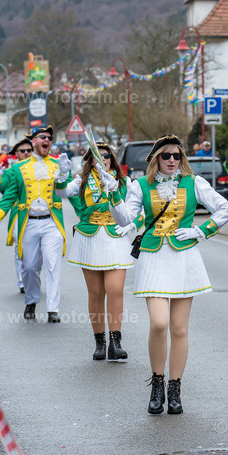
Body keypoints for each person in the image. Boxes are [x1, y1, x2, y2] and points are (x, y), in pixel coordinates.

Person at [108, 135, 228, 415]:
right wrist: (113, 196)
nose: (173, 160)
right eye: (166, 156)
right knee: (159, 324)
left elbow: (226, 208)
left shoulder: (194, 182)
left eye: (177, 156)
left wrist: (201, 231)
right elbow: (125, 219)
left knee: (179, 329)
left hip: (185, 258)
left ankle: (175, 388)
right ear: (156, 160)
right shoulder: (140, 186)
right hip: (154, 257)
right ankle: (157, 383)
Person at [0, 126, 73, 323]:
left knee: (52, 264)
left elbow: (66, 192)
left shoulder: (59, 165)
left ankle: (53, 309)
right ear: (33, 141)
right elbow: (9, 196)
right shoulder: (18, 169)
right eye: (43, 137)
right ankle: (31, 300)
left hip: (52, 223)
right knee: (29, 266)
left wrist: (65, 177)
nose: (47, 140)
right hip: (29, 224)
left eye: (50, 138)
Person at [63, 143, 136, 361]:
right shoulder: (81, 181)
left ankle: (116, 342)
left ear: (112, 158)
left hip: (115, 237)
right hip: (90, 238)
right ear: (90, 161)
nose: (102, 159)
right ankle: (100, 342)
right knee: (95, 293)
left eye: (106, 156)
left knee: (115, 289)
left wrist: (132, 224)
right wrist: (62, 176)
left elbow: (137, 208)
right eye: (96, 157)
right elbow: (64, 192)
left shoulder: (124, 182)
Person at [0, 137, 34, 293]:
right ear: (16, 153)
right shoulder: (12, 171)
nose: (26, 153)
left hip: (41, 215)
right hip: (19, 214)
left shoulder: (41, 168)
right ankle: (22, 281)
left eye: (29, 151)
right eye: (22, 151)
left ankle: (32, 275)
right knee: (20, 248)